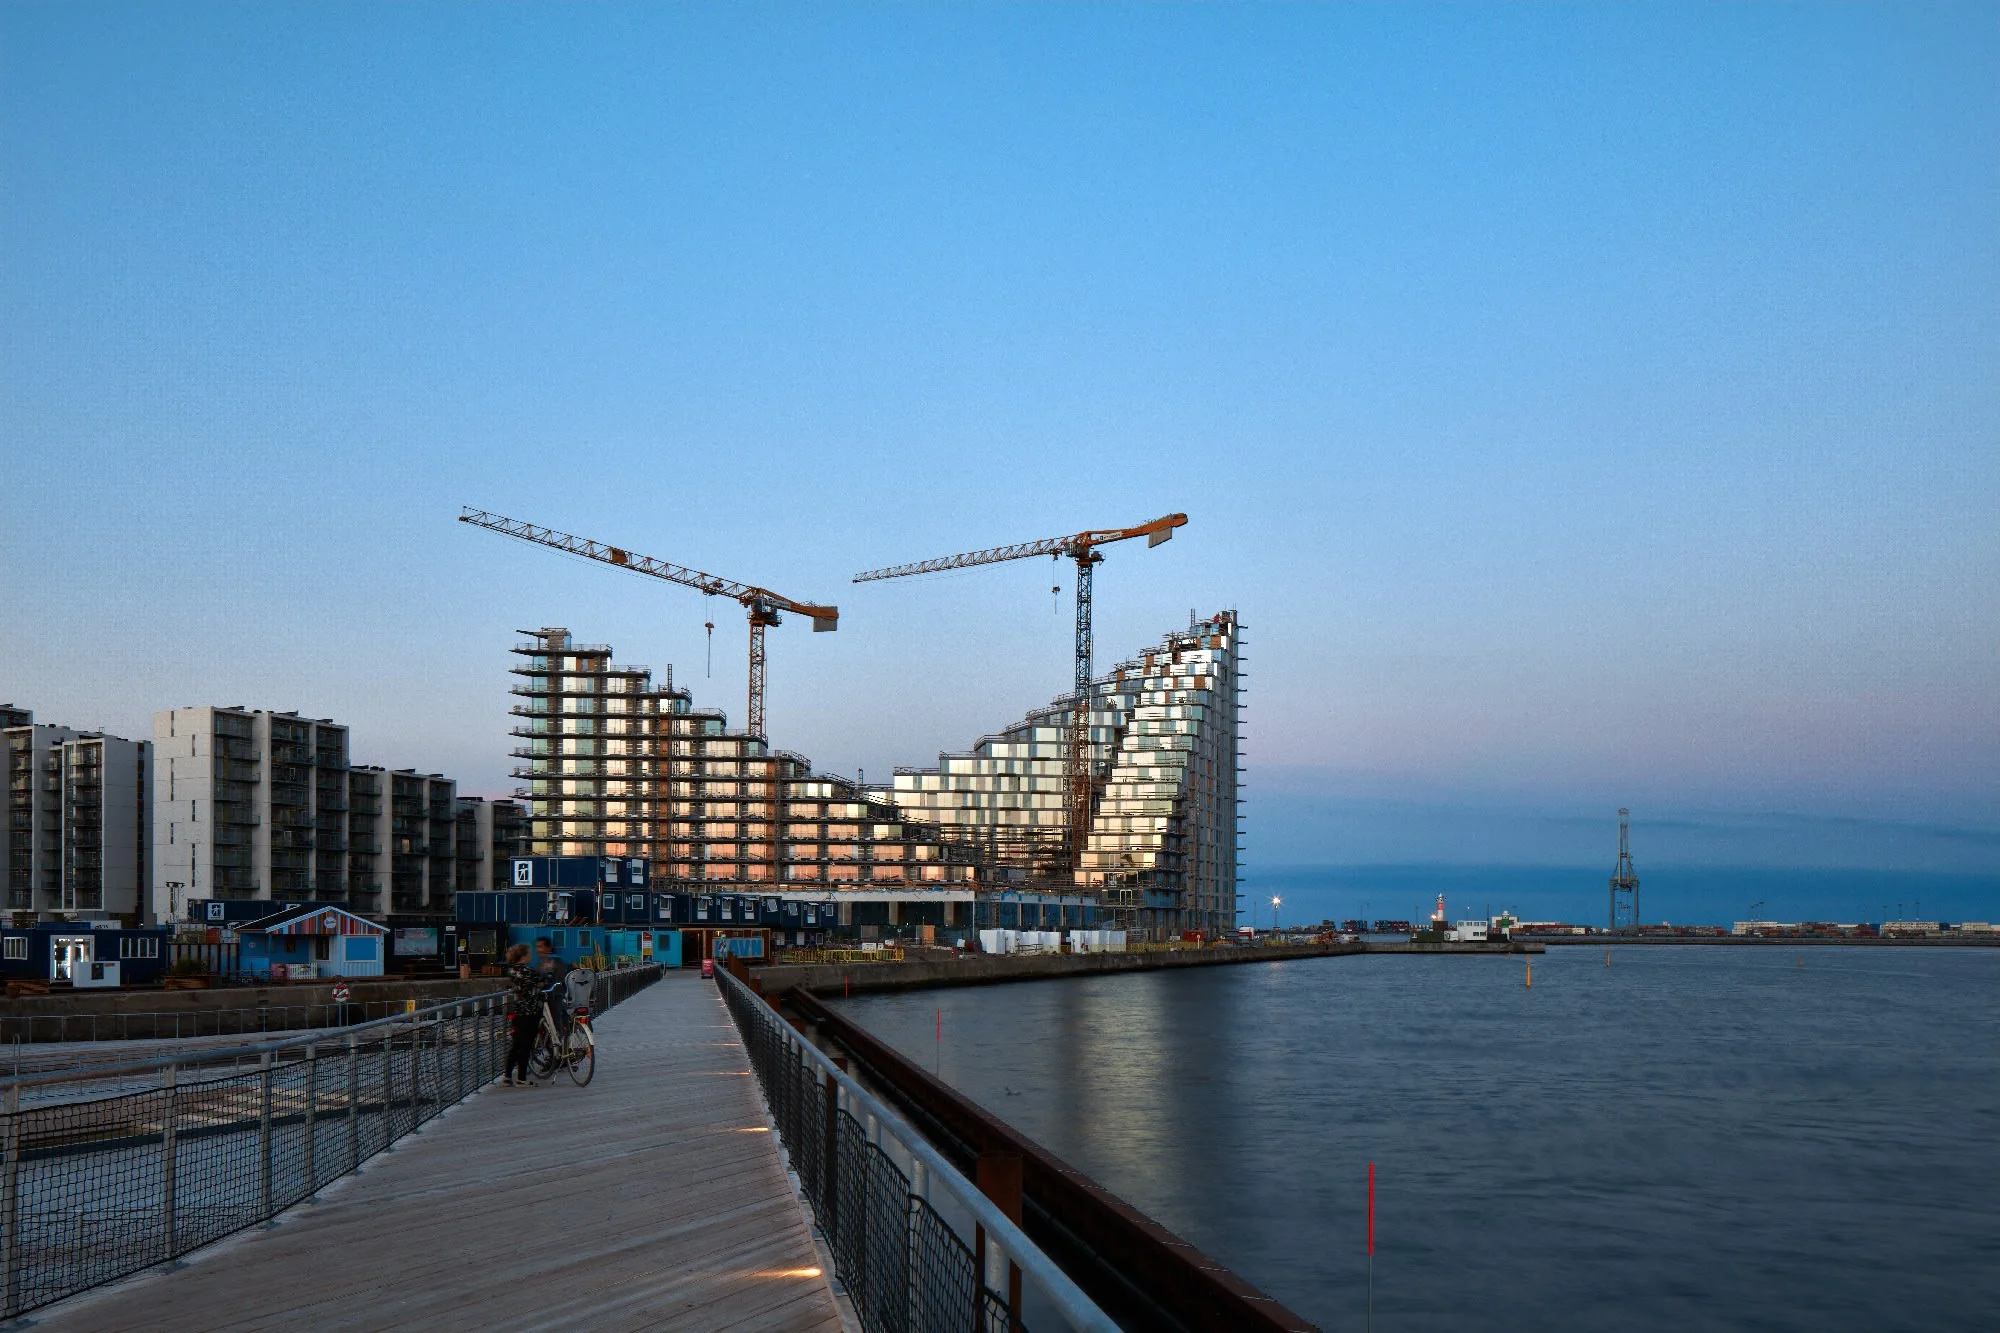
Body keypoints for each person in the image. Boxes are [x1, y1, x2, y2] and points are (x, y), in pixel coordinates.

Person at [501, 943, 542, 1088]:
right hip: (529, 1012)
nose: (531, 956)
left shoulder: (512, 970)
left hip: (517, 1011)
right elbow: (540, 983)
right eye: (529, 954)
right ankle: (521, 1078)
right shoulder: (528, 971)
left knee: (516, 1045)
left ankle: (507, 1076)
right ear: (524, 956)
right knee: (526, 1045)